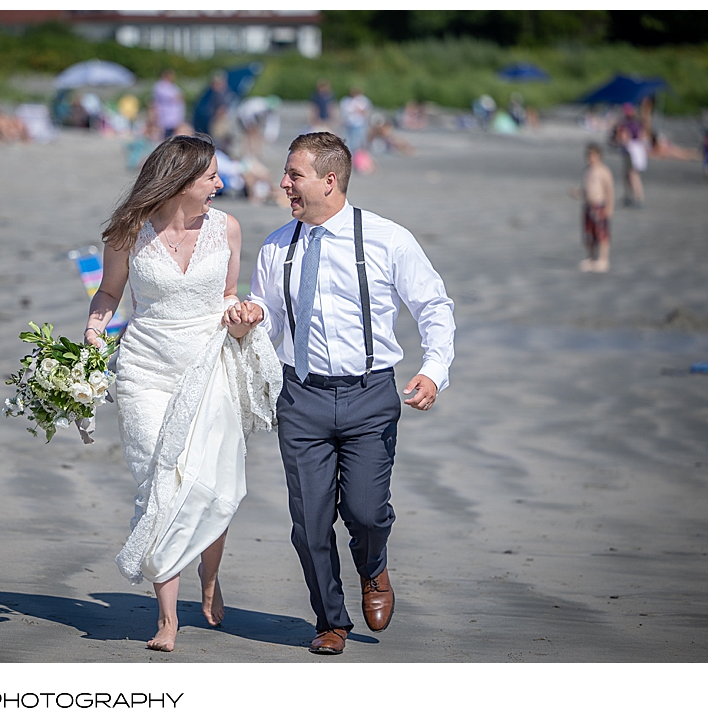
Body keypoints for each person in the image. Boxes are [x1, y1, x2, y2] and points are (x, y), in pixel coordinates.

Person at [230, 132, 455, 655]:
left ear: (329, 181)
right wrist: (250, 316)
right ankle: (330, 618)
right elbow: (266, 318)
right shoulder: (276, 245)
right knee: (308, 524)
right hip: (301, 397)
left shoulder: (387, 239)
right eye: (286, 174)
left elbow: (433, 305)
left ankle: (373, 567)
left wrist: (434, 370)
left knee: (368, 512)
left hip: (370, 395)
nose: (283, 182)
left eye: (294, 174)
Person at [81, 134, 281, 652]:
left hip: (209, 368)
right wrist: (94, 328)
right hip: (145, 372)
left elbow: (230, 296)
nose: (221, 183)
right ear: (179, 180)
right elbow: (109, 291)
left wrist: (244, 317)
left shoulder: (228, 228)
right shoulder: (129, 232)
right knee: (159, 484)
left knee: (211, 485)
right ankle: (167, 618)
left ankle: (208, 579)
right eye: (211, 175)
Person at [571, 143, 615, 273]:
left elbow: (609, 191)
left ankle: (603, 259)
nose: (590, 158)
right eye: (588, 155)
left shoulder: (604, 171)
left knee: (602, 234)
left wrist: (609, 208)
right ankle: (591, 258)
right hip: (588, 206)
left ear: (599, 156)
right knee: (589, 234)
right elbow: (585, 191)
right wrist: (577, 193)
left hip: (600, 205)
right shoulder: (586, 171)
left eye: (593, 155)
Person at [151, 69, 186, 139]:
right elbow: (174, 97)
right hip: (166, 116)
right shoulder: (160, 86)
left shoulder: (172, 86)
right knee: (165, 136)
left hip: (175, 117)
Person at [339, 86, 372, 153]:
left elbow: (367, 111)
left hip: (360, 123)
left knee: (359, 140)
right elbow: (344, 111)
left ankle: (358, 154)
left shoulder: (363, 100)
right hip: (349, 123)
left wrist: (360, 111)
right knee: (349, 140)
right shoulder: (346, 100)